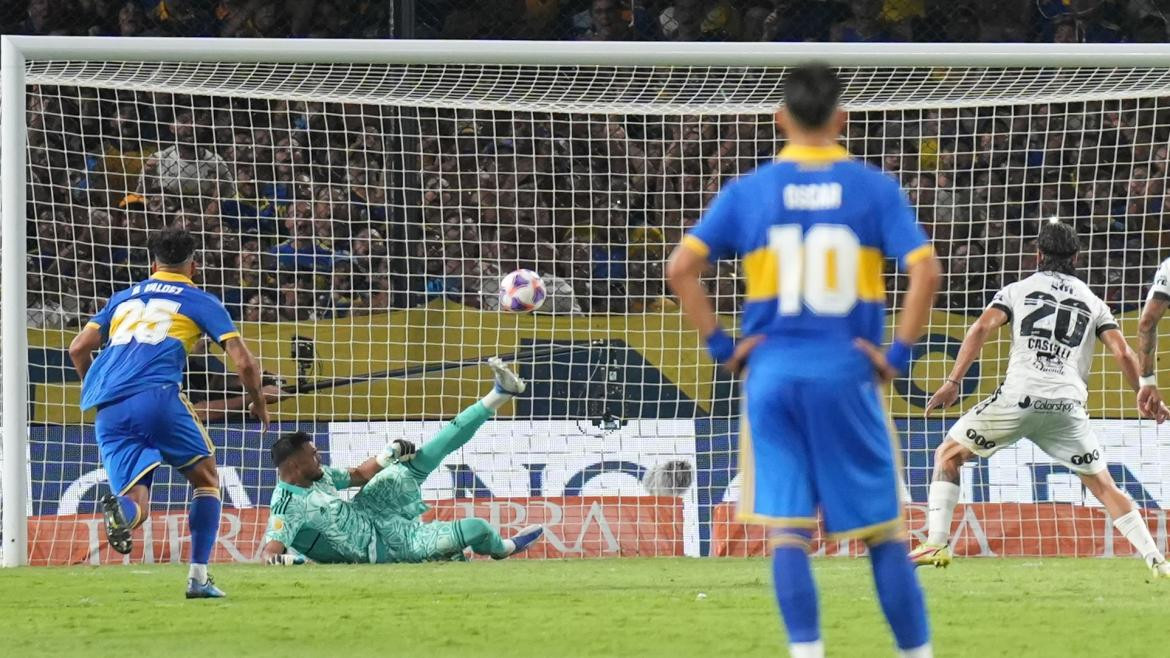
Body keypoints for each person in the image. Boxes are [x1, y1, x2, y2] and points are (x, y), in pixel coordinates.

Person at [666, 63, 940, 658]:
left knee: (788, 531)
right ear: (842, 118)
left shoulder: (749, 191)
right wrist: (896, 354)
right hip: (846, 374)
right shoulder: (873, 188)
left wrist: (723, 349)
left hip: (772, 376)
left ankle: (807, 653)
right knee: (884, 534)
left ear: (779, 118)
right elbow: (926, 268)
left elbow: (680, 269)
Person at [912, 219, 1170, 579]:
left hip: (1019, 398)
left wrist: (954, 381)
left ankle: (937, 543)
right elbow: (1123, 352)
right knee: (1104, 485)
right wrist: (1142, 390)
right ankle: (1156, 558)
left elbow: (982, 327)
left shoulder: (1018, 289)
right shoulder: (1093, 302)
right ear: (1076, 258)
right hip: (1067, 406)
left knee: (948, 455)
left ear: (1037, 254)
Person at [68, 227, 270, 599]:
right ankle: (198, 578)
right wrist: (256, 402)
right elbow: (244, 363)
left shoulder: (122, 298)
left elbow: (78, 349)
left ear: (152, 263)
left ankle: (123, 514)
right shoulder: (199, 300)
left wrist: (98, 389)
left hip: (108, 408)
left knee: (136, 501)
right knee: (207, 480)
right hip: (157, 397)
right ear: (194, 266)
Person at [259, 357, 544, 565]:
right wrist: (287, 560)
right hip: (384, 547)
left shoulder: (317, 475)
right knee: (477, 528)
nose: (319, 459)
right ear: (294, 466)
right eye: (314, 456)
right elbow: (270, 553)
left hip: (371, 510)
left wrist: (389, 453)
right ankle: (505, 547)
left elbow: (359, 475)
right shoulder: (286, 506)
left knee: (422, 457)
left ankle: (499, 394)